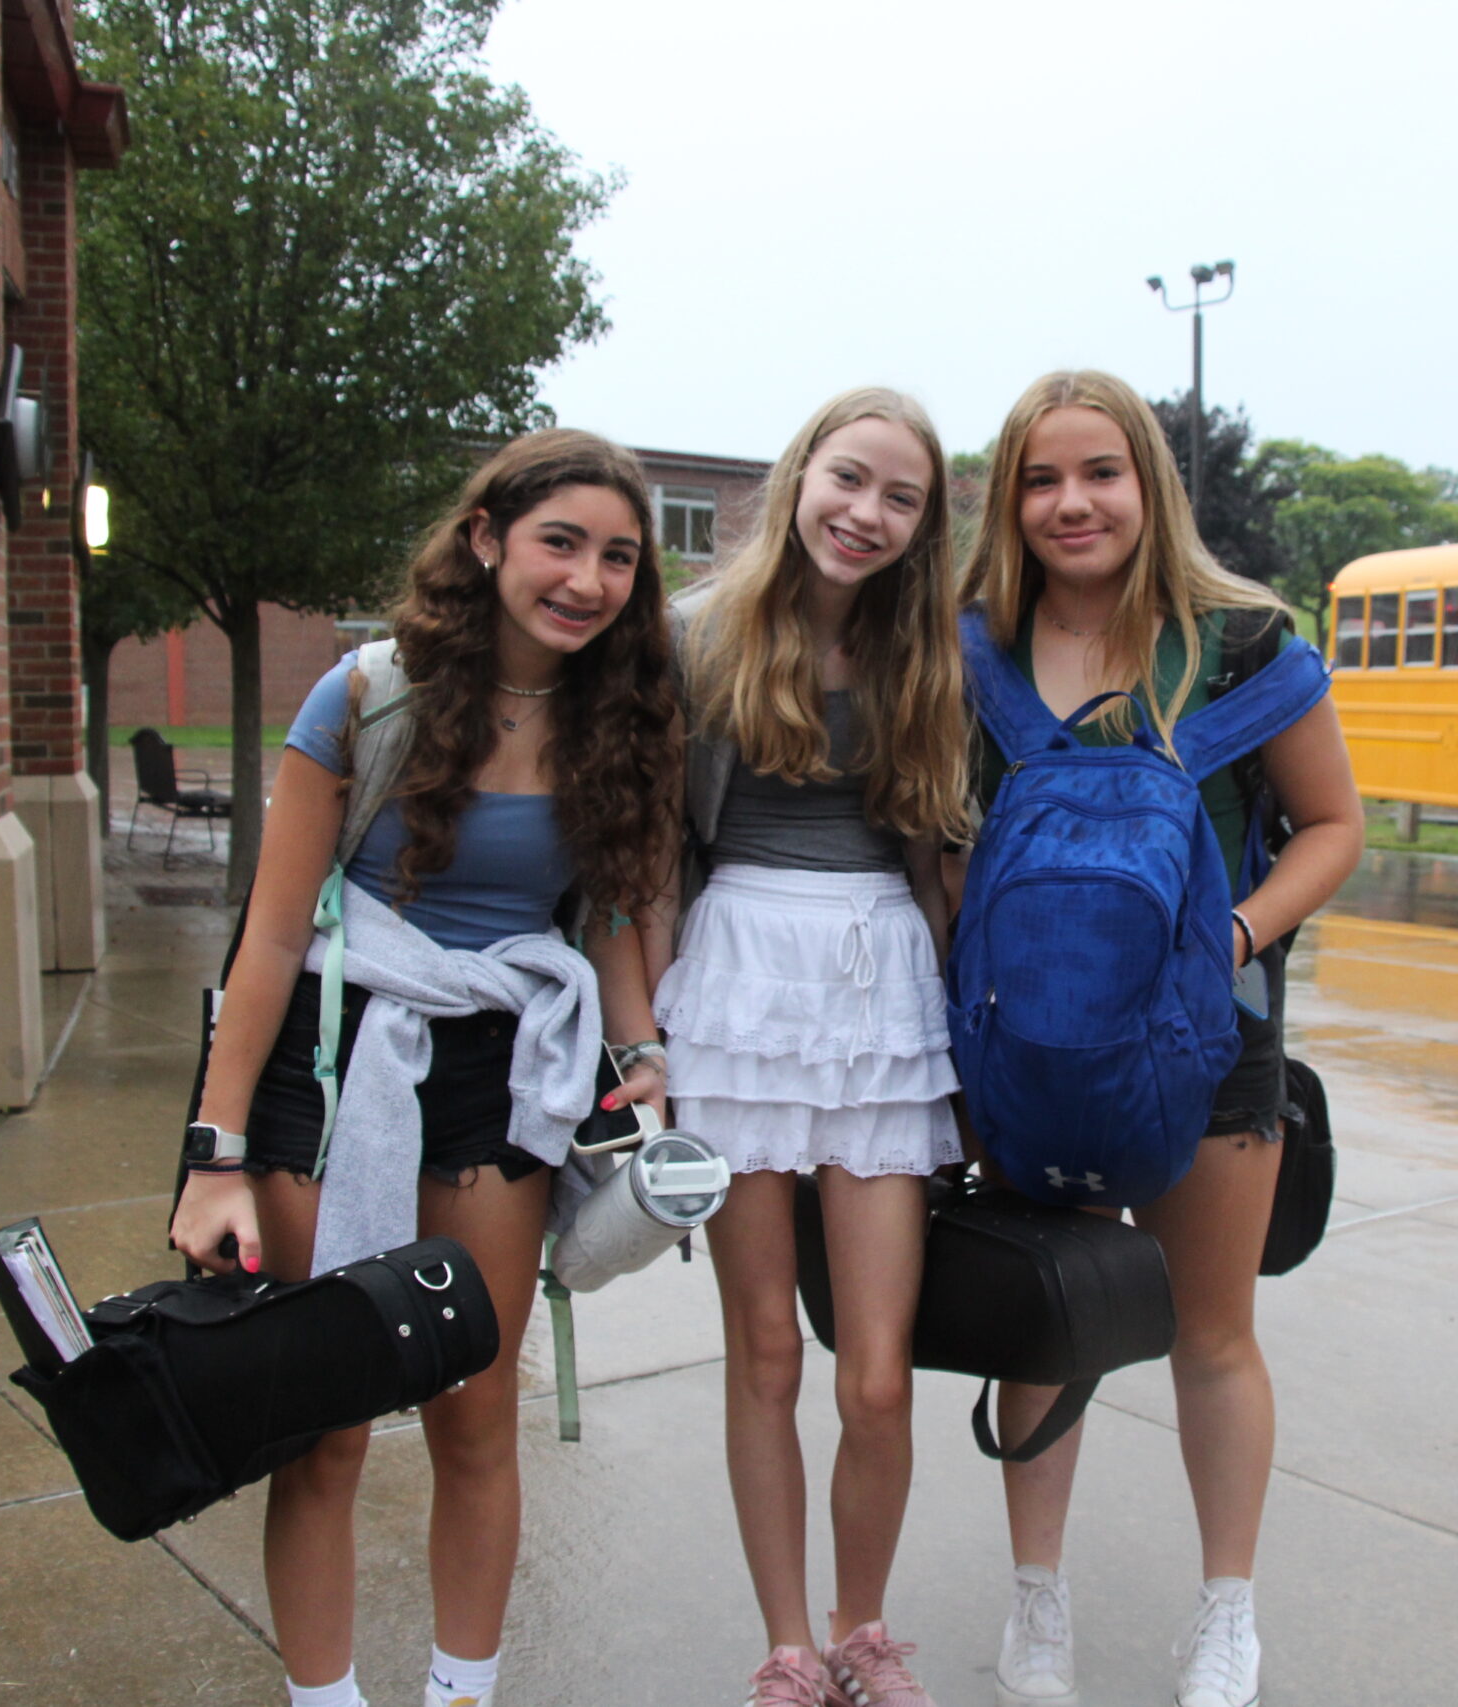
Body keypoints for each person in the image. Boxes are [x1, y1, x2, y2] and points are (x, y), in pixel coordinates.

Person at [168, 430, 682, 1707]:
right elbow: (273, 932)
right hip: (333, 1066)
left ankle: (464, 1693)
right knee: (327, 1421)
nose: (588, 579)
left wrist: (646, 1067)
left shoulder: (626, 717)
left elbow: (611, 918)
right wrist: (213, 1152)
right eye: (561, 541)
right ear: (487, 539)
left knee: (473, 1409)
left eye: (618, 556)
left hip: (498, 1076)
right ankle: (324, 1697)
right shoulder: (362, 695)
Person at [953, 371, 1362, 1707]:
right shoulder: (974, 652)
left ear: (1149, 486)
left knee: (1213, 1331)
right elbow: (937, 840)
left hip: (1207, 1043)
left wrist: (1228, 940)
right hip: (1031, 1048)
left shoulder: (1244, 648)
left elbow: (1332, 826)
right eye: (1040, 477)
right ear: (1011, 498)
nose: (1072, 501)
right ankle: (1037, 1599)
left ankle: (1227, 1614)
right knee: (1048, 1317)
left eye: (1100, 472)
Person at [653, 388, 975, 1707]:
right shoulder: (694, 637)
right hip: (735, 984)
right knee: (768, 1353)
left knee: (881, 1373)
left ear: (924, 523)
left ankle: (864, 1629)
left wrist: (979, 1045)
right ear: (800, 477)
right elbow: (653, 854)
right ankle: (790, 1645)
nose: (867, 513)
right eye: (850, 479)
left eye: (901, 497)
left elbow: (942, 864)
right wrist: (646, 1047)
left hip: (885, 986)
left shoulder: (933, 654)